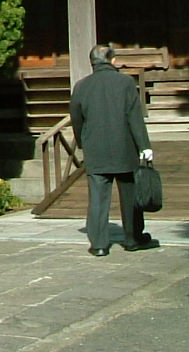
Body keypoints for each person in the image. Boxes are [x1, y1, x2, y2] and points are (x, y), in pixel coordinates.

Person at [69, 44, 155, 256]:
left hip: (95, 150)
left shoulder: (81, 86)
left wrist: (82, 143)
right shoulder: (125, 83)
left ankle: (99, 244)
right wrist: (144, 146)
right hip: (124, 148)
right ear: (113, 60)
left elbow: (76, 120)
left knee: (98, 198)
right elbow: (135, 117)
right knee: (130, 195)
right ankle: (132, 238)